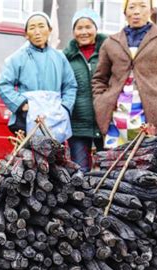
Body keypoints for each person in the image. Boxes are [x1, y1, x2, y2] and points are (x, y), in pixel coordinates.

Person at [92, 0, 157, 148]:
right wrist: (101, 101)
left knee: (151, 161)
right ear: (124, 13)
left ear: (151, 10)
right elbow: (99, 79)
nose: (137, 11)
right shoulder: (111, 42)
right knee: (117, 162)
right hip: (117, 115)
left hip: (155, 113)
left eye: (142, 6)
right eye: (131, 7)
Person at [0, 12, 77, 143]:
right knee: (28, 159)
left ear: (49, 30)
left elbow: (70, 86)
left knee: (55, 158)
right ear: (26, 34)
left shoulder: (60, 57)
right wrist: (22, 104)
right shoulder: (17, 58)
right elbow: (4, 85)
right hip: (27, 118)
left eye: (41, 26)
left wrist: (64, 107)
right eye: (32, 28)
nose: (37, 32)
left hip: (56, 116)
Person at [63, 8, 107, 172]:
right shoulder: (66, 57)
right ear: (73, 31)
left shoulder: (109, 51)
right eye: (79, 28)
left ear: (96, 28)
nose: (84, 32)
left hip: (106, 124)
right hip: (78, 124)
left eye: (88, 26)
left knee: (109, 171)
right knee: (80, 171)